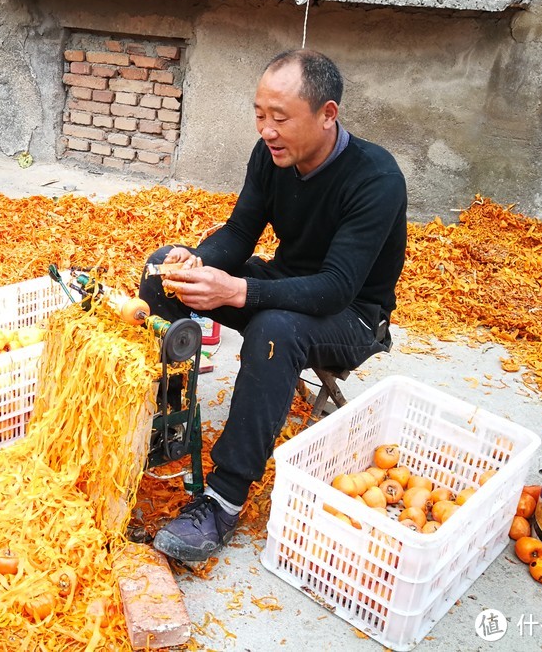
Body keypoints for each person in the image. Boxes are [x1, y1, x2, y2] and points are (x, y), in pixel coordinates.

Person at [139, 48, 407, 563]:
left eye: (280, 118)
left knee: (274, 328)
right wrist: (197, 261)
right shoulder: (271, 156)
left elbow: (337, 287)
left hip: (352, 315)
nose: (267, 130)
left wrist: (237, 291)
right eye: (260, 115)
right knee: (163, 274)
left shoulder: (376, 178)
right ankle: (165, 418)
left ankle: (222, 500)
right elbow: (241, 232)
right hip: (286, 283)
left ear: (328, 114)